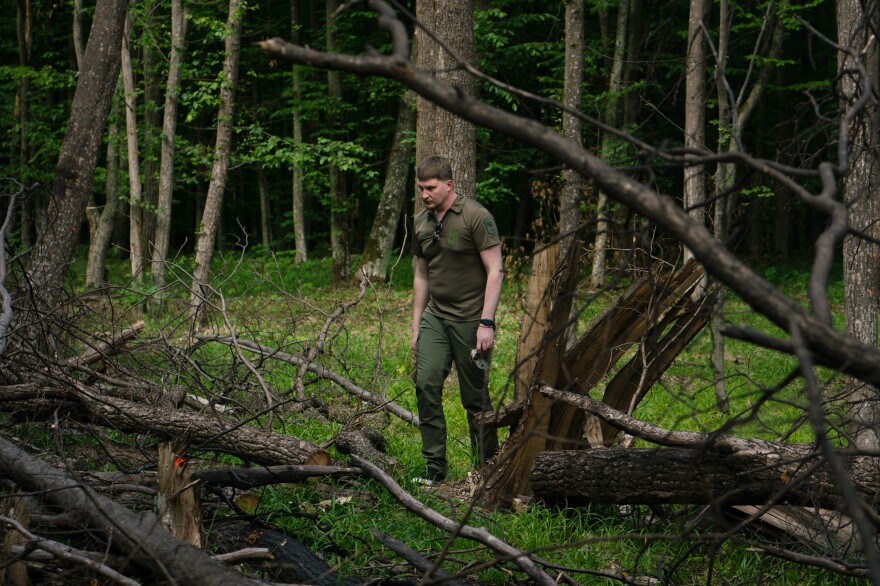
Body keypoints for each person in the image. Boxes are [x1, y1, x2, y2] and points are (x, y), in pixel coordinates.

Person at [410, 155, 502, 484]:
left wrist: (486, 322)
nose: (424, 194)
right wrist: (416, 326)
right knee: (426, 385)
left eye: (430, 188)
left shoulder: (476, 217)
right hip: (436, 316)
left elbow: (496, 271)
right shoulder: (420, 222)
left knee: (474, 397)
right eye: (420, 188)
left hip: (471, 320)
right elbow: (422, 276)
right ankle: (435, 470)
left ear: (448, 185)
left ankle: (487, 469)